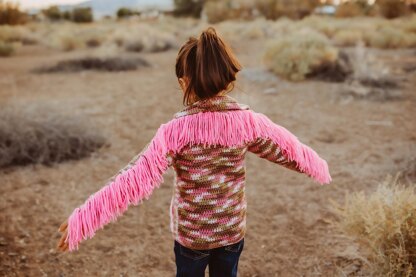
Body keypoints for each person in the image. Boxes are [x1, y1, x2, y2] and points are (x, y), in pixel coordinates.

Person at [57, 27, 332, 277]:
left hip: (192, 238)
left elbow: (131, 180)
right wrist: (318, 166)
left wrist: (83, 219)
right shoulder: (248, 122)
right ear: (227, 79)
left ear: (184, 81)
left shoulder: (175, 131)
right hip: (230, 234)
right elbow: (289, 151)